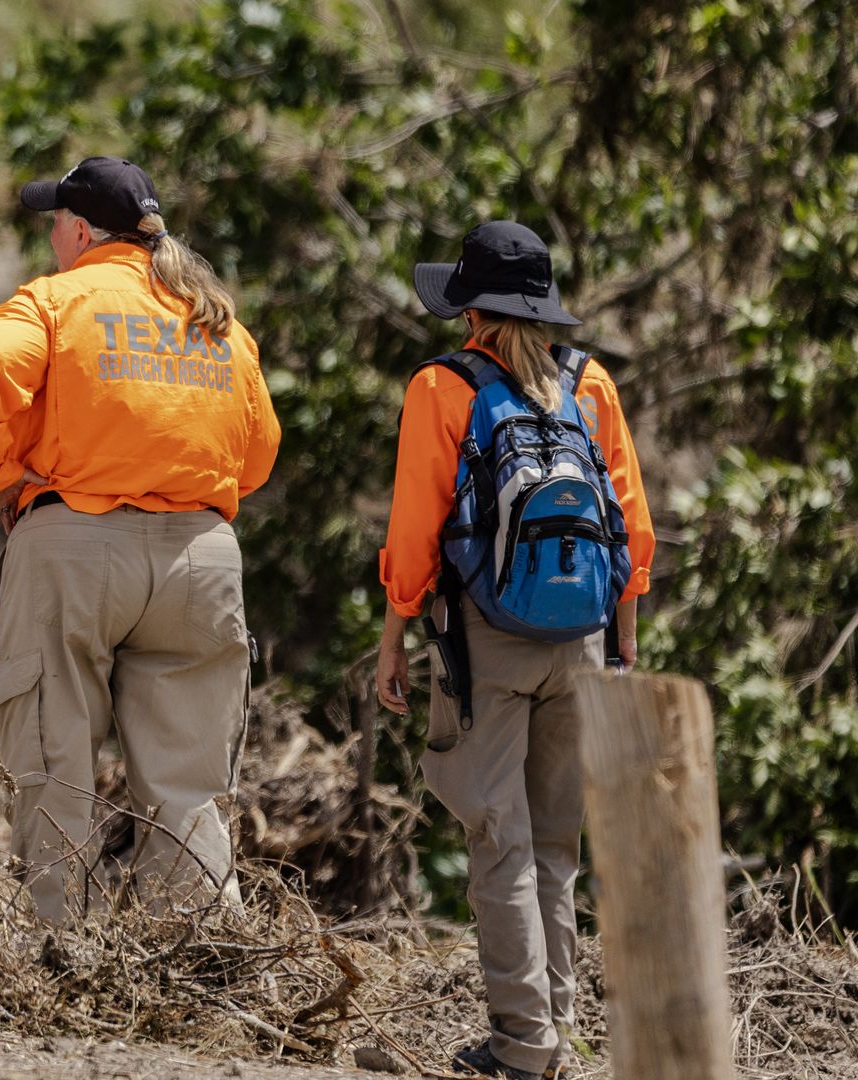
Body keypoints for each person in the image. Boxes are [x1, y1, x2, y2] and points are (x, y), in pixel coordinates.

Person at [0, 156, 281, 926]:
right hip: (201, 558)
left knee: (57, 766)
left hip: (74, 552)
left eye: (54, 225)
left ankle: (61, 960)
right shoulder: (215, 317)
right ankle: (201, 962)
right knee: (188, 784)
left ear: (78, 230)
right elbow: (257, 453)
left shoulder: (56, 300)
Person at [375, 221, 656, 1080]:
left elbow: (416, 532)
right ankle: (555, 1038)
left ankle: (523, 1046)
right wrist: (621, 649)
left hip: (485, 640)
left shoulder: (444, 386)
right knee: (553, 847)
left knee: (497, 837)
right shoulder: (590, 382)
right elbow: (631, 530)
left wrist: (396, 638)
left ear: (472, 310)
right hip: (581, 637)